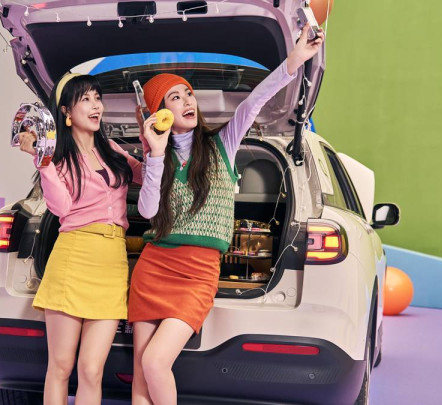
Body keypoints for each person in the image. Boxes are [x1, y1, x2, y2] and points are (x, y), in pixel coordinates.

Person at [129, 24, 325, 405]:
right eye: (174, 97)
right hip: (153, 269)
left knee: (154, 362)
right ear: (159, 113)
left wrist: (296, 60)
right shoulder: (158, 160)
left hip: (197, 273)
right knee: (140, 376)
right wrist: (155, 154)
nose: (187, 100)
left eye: (188, 93)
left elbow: (253, 103)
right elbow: (148, 210)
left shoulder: (222, 143)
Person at [17, 73, 143, 405]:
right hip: (73, 258)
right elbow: (61, 208)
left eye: (97, 98)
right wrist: (43, 161)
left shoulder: (111, 150)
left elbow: (146, 175)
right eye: (85, 99)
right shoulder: (57, 157)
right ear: (67, 112)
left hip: (111, 263)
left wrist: (151, 143)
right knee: (60, 367)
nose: (95, 105)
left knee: (91, 369)